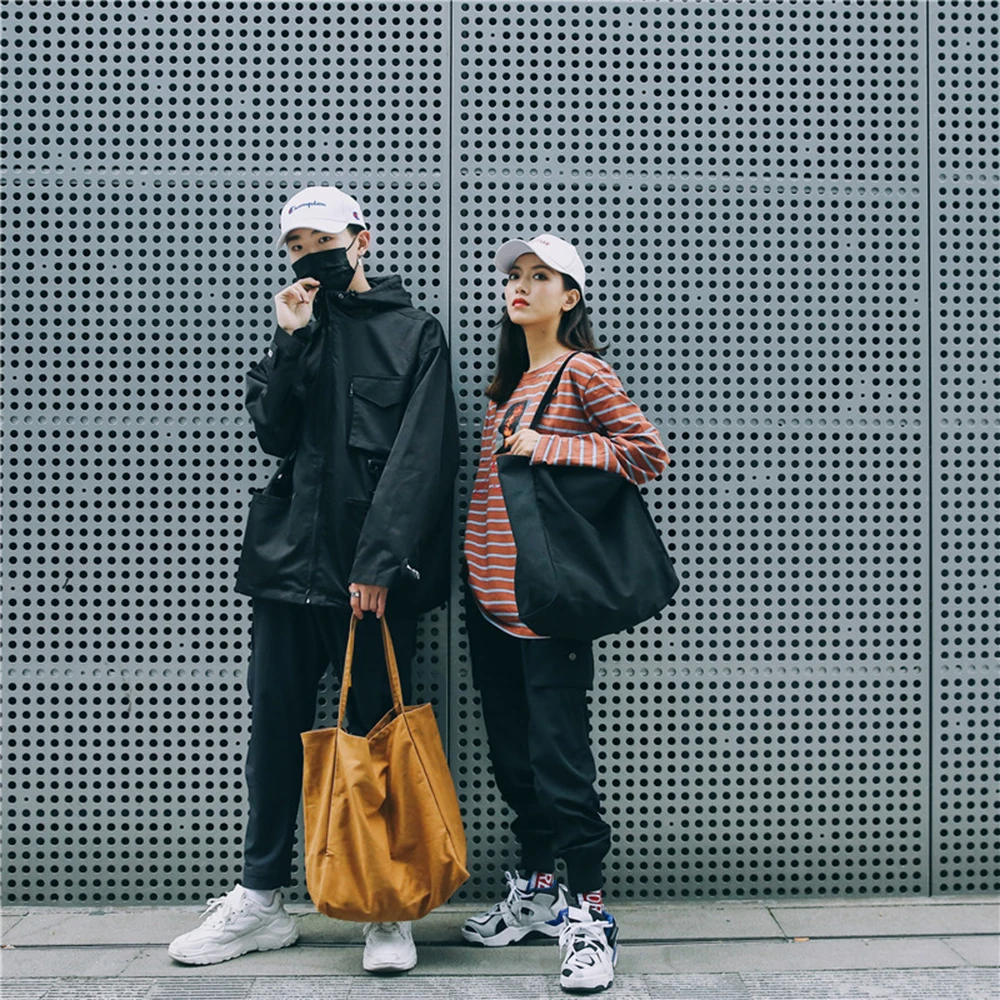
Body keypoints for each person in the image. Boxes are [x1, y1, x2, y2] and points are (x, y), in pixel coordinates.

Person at [168, 186, 459, 973]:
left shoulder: (414, 333)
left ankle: (386, 905)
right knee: (273, 731)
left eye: (321, 240)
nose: (308, 256)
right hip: (285, 569)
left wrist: (379, 564)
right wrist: (291, 339)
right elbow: (273, 433)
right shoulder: (294, 329)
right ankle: (260, 900)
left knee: (376, 735)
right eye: (296, 245)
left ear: (362, 239)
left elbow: (423, 460)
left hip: (369, 579)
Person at [461, 234, 669, 993]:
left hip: (549, 604)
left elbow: (647, 453)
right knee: (514, 759)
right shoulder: (508, 385)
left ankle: (589, 915)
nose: (520, 286)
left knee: (560, 758)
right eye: (514, 276)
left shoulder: (582, 371)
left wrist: (550, 445)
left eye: (540, 276)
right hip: (490, 600)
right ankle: (539, 893)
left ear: (570, 296)